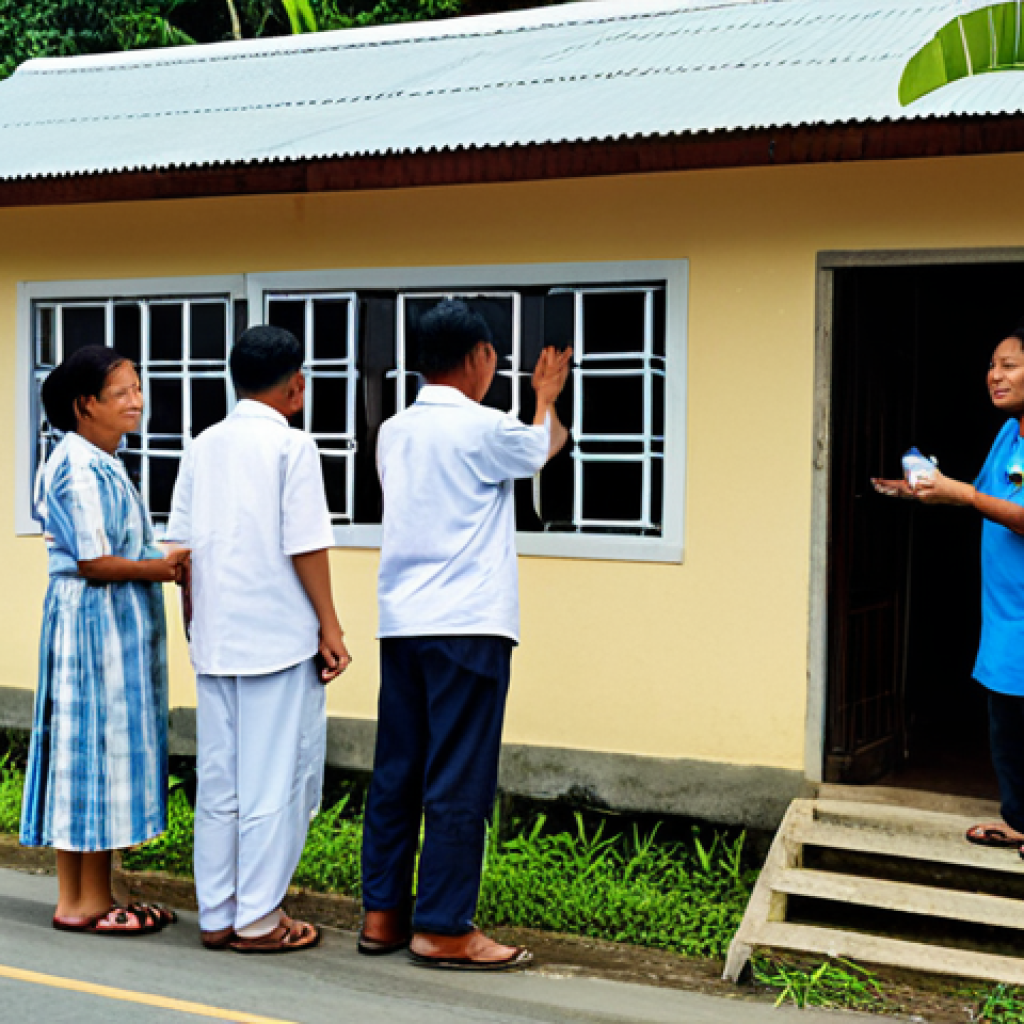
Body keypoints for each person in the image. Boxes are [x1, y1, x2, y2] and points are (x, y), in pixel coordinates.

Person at [360, 299, 571, 970]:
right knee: (459, 773)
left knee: (399, 769)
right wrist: (546, 397)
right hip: (468, 627)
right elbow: (545, 447)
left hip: (403, 625)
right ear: (480, 358)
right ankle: (445, 925)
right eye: (493, 357)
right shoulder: (485, 427)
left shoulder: (394, 430)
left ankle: (383, 914)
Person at [165, 325, 351, 954]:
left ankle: (217, 913)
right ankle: (258, 921)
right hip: (278, 639)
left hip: (216, 638)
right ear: (296, 384)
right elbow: (305, 544)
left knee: (222, 782)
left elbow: (180, 554)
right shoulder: (294, 448)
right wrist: (330, 624)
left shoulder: (201, 446)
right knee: (277, 780)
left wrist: (198, 623)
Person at [21, 345, 189, 935]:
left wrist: (160, 559)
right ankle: (78, 903)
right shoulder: (76, 463)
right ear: (85, 405)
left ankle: (102, 890)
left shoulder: (102, 459)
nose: (137, 401)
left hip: (110, 625)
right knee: (87, 753)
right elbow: (93, 560)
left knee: (101, 755)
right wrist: (161, 568)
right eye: (122, 393)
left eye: (137, 389)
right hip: (89, 622)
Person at [874, 327, 1024, 851]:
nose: (995, 375)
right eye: (992, 364)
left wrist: (960, 492)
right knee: (1009, 726)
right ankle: (1019, 822)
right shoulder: (1010, 434)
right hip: (1008, 616)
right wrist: (923, 490)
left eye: (1009, 364)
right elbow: (978, 496)